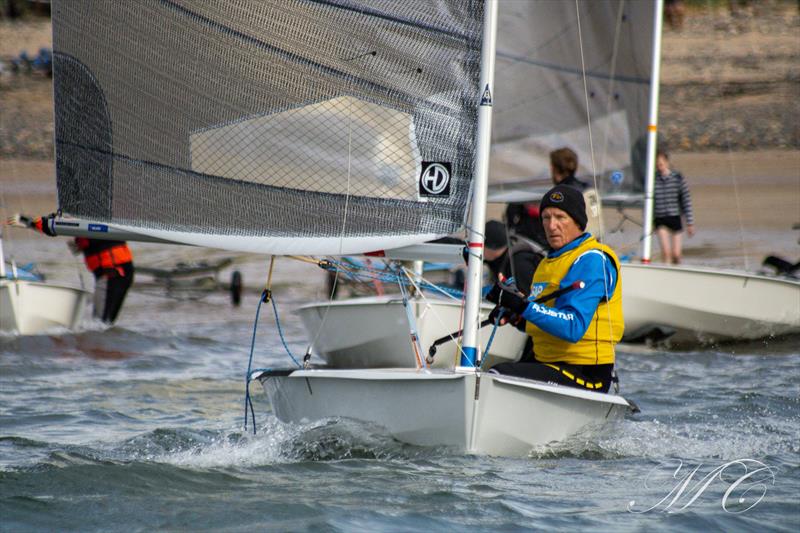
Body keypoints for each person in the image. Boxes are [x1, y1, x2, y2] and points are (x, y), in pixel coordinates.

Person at [486, 185, 624, 393]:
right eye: (546, 218)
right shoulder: (547, 263)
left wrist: (523, 306)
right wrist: (517, 317)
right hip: (550, 366)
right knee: (483, 374)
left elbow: (573, 327)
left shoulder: (592, 259)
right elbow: (547, 318)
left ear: (577, 222)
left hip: (587, 373)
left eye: (560, 217)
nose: (551, 226)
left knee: (497, 377)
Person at [9, 214, 134, 324]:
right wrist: (80, 245)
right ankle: (103, 347)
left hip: (114, 273)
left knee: (101, 324)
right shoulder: (88, 219)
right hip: (116, 273)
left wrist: (28, 222)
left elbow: (55, 225)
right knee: (104, 322)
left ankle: (100, 349)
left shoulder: (89, 218)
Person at [653, 149, 695, 264]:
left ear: (667, 163)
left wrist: (690, 223)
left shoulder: (677, 178)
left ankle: (678, 274)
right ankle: (665, 278)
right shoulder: (652, 180)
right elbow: (648, 203)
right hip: (660, 220)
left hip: (675, 218)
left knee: (676, 254)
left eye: (661, 164)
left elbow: (686, 201)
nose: (659, 167)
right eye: (657, 165)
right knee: (666, 253)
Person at [482, 220, 544, 295]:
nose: (480, 251)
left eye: (482, 246)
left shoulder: (519, 264)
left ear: (491, 247)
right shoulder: (499, 260)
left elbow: (527, 298)